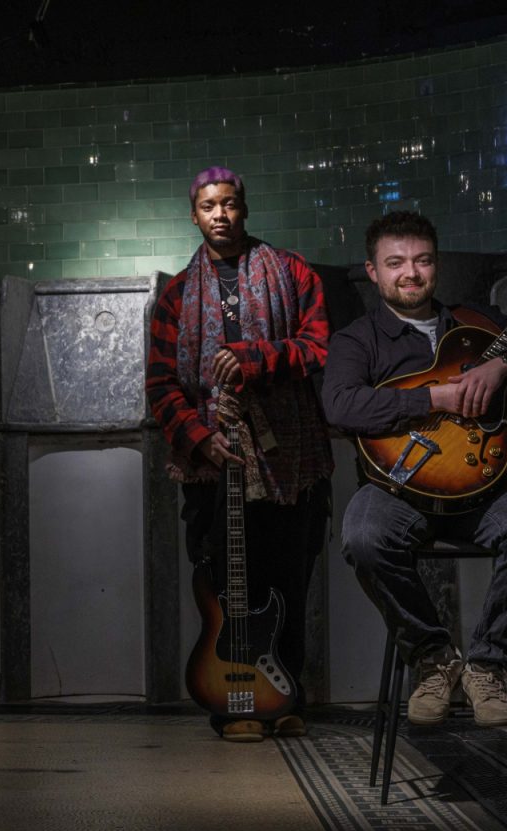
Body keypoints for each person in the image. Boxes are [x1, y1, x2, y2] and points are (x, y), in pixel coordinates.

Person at [323, 210, 507, 727]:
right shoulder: (357, 340)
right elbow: (341, 406)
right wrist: (435, 397)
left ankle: (488, 664)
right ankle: (433, 657)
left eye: (422, 260)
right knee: (363, 537)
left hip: (484, 488)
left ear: (435, 265)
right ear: (373, 271)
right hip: (397, 491)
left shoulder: (475, 322)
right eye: (396, 263)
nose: (410, 273)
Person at [144, 167, 333, 743]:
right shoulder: (176, 293)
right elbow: (160, 385)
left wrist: (257, 357)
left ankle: (286, 696)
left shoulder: (293, 271)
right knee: (229, 588)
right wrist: (201, 438)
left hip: (289, 460)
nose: (220, 214)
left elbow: (318, 347)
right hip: (213, 467)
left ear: (244, 207)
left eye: (228, 203)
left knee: (287, 582)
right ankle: (237, 703)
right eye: (207, 206)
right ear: (194, 215)